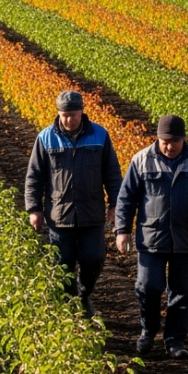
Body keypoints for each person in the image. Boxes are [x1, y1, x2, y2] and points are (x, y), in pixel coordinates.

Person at [115, 114, 188, 359]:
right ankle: (148, 330)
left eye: (175, 141)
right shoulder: (141, 160)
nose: (169, 146)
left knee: (182, 292)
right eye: (165, 141)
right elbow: (126, 198)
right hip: (151, 237)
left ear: (183, 139)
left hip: (186, 237)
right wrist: (122, 230)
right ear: (158, 138)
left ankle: (175, 340)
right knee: (148, 286)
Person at [25, 90, 122, 317]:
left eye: (73, 115)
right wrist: (34, 209)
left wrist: (115, 204)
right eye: (64, 115)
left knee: (94, 258)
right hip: (59, 214)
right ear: (58, 114)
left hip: (92, 212)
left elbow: (112, 173)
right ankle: (71, 306)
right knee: (63, 262)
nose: (68, 120)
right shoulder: (46, 138)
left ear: (82, 112)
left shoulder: (99, 136)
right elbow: (34, 177)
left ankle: (84, 292)